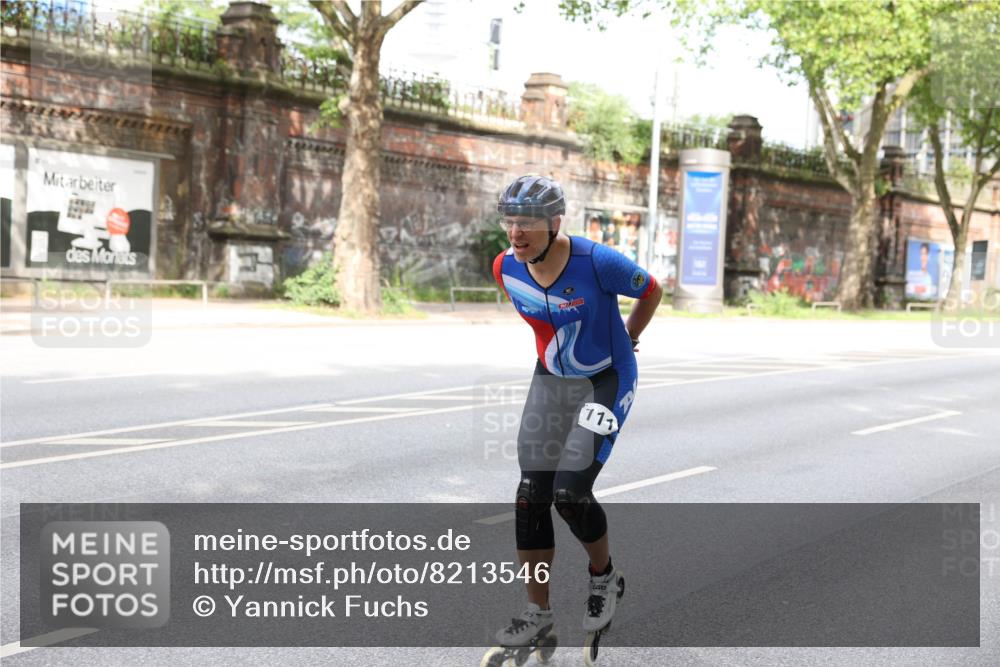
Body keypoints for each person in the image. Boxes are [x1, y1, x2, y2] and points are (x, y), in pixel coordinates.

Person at [489, 175, 663, 648]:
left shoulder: (596, 261)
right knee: (530, 493)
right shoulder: (506, 268)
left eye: (526, 222)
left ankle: (603, 576)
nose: (516, 232)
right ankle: (537, 612)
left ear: (554, 222)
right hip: (552, 380)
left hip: (605, 379)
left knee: (569, 492)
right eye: (510, 221)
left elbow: (651, 289)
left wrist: (630, 337)